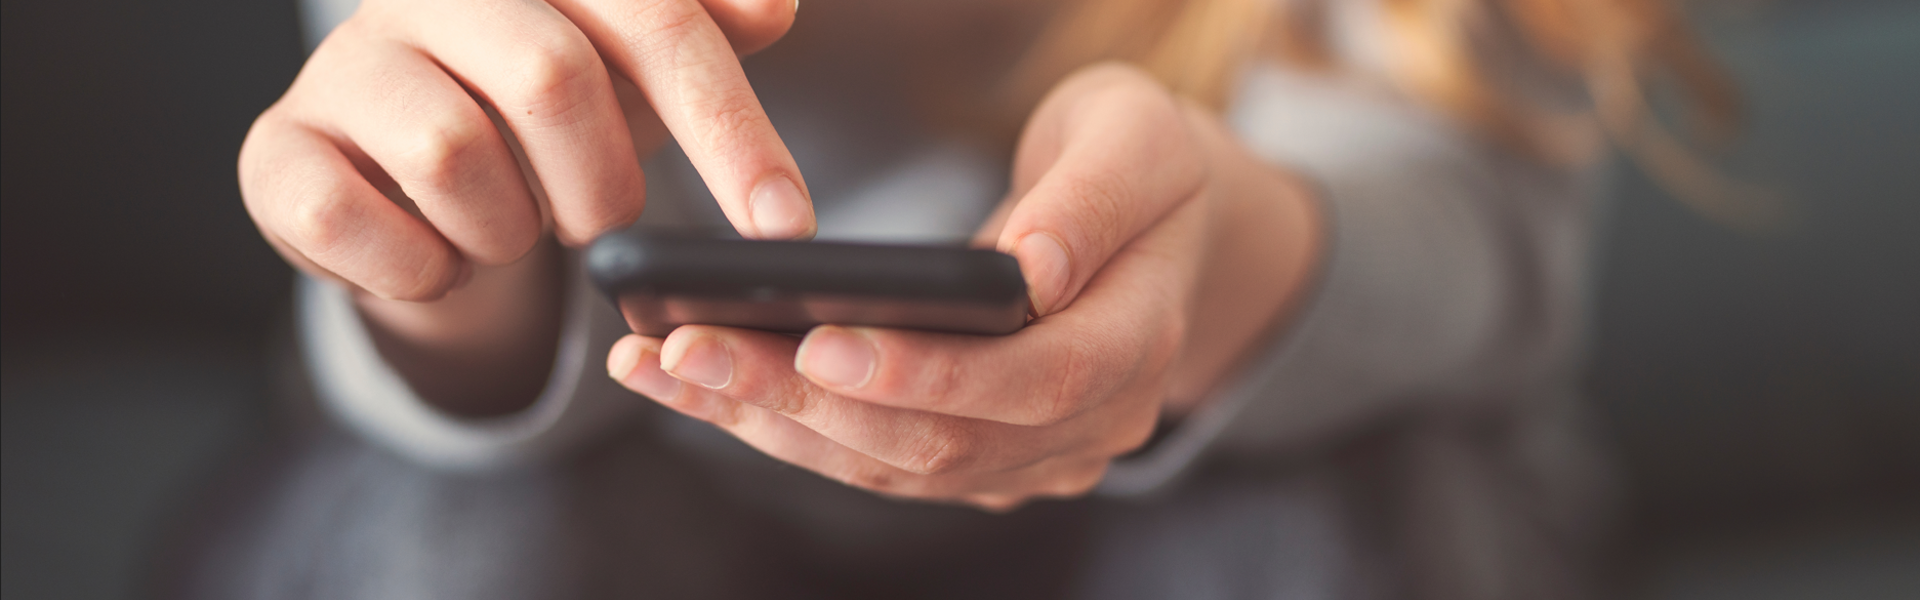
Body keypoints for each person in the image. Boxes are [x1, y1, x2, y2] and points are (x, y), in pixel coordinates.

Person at [188, 0, 1734, 598]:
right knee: (452, 541)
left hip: (1264, 507)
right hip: (615, 498)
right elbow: (450, 321)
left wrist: (1218, 254)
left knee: (1332, 530)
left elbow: (1470, 260)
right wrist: (443, 258)